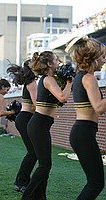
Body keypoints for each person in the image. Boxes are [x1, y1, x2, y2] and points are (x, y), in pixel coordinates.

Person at [21, 51, 73, 200]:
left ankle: (40, 196)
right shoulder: (48, 79)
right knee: (45, 165)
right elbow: (62, 96)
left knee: (45, 165)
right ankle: (28, 196)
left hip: (41, 125)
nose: (59, 62)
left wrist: (64, 85)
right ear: (50, 64)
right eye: (56, 60)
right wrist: (69, 82)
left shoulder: (49, 79)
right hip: (38, 125)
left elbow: (59, 101)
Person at [65, 35, 106, 199]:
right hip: (83, 134)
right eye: (102, 57)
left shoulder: (80, 77)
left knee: (95, 181)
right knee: (96, 182)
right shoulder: (89, 78)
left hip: (82, 133)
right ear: (93, 59)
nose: (104, 61)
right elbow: (99, 108)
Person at [7, 59, 37, 193]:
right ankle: (21, 182)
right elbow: (37, 104)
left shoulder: (29, 82)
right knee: (33, 152)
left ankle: (22, 181)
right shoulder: (32, 83)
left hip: (25, 118)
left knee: (33, 152)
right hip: (25, 118)